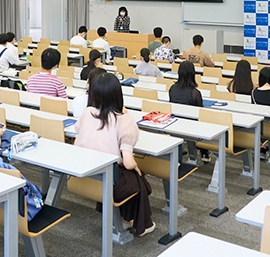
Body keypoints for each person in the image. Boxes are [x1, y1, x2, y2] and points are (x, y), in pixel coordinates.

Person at [74, 73, 155, 237]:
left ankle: (125, 218)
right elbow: (128, 162)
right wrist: (137, 167)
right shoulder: (125, 120)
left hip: (83, 174)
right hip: (107, 180)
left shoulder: (87, 112)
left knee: (132, 177)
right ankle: (139, 223)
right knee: (139, 179)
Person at [168, 61, 207, 161]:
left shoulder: (172, 89)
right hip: (191, 127)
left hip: (175, 123)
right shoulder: (195, 93)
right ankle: (204, 153)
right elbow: (200, 114)